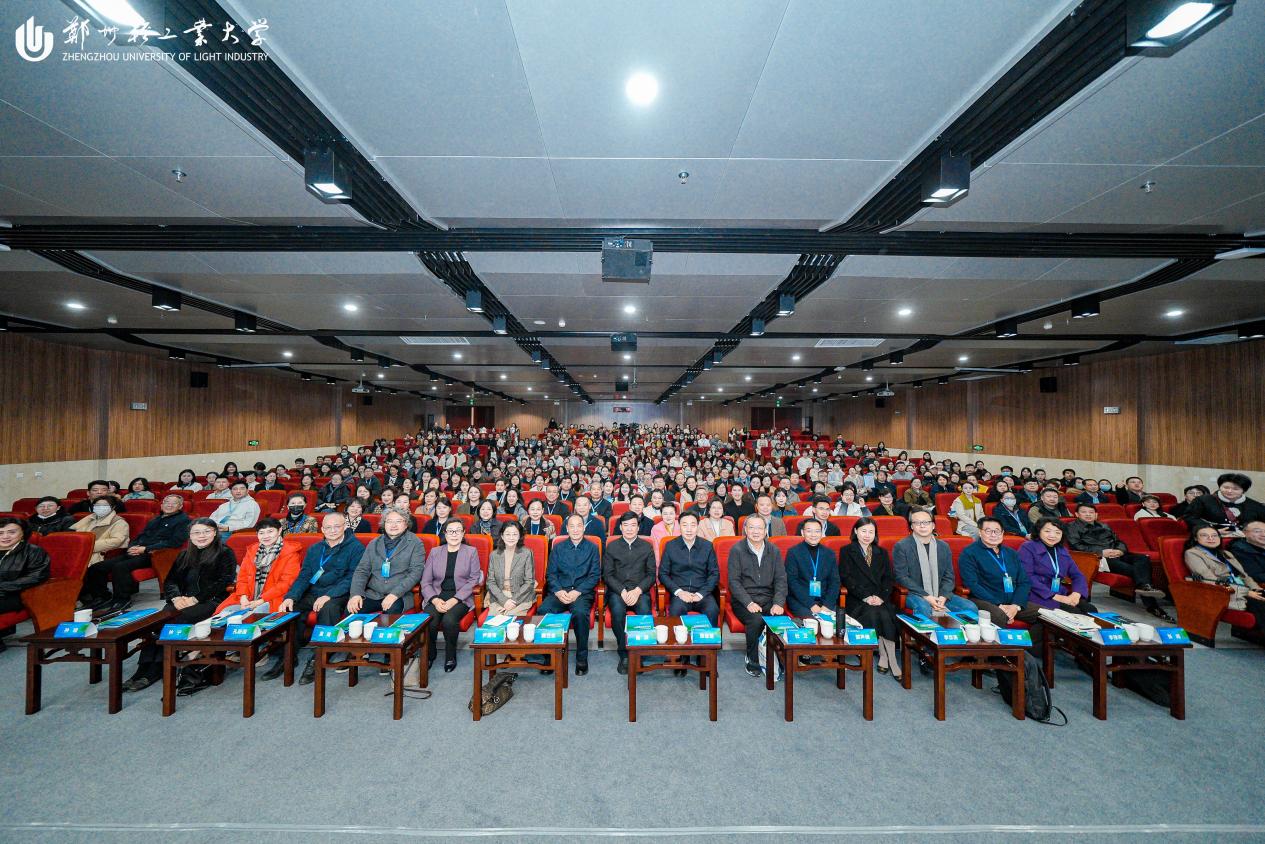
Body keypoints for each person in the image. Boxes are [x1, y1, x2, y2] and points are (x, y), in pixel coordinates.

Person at [122, 519, 236, 693]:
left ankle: (156, 668)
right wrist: (175, 598)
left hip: (211, 601)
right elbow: (171, 580)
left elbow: (223, 582)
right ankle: (143, 669)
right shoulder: (185, 554)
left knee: (175, 622)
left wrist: (195, 599)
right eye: (196, 532)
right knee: (157, 622)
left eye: (206, 531)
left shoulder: (225, 553)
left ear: (214, 533)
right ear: (190, 535)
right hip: (182, 601)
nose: (201, 536)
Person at [267, 512, 363, 683]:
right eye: (328, 527)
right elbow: (304, 576)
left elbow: (353, 577)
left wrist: (328, 595)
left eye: (337, 526)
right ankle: (288, 656)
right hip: (314, 591)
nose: (332, 530)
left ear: (345, 527)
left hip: (339, 593)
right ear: (322, 529)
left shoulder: (356, 548)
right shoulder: (315, 549)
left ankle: (318, 656)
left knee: (329, 608)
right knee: (292, 607)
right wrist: (291, 596)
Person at [85, 493, 192, 614]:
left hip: (155, 554)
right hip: (137, 551)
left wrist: (145, 549)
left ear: (180, 506)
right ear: (162, 505)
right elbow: (141, 535)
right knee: (97, 567)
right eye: (167, 502)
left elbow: (174, 542)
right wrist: (132, 546)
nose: (169, 505)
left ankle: (122, 599)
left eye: (174, 503)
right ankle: (102, 597)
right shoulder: (155, 519)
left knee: (120, 567)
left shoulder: (184, 521)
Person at [1066, 503, 1171, 621]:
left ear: (1096, 515)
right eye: (1084, 512)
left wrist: (1120, 550)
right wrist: (1101, 552)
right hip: (1098, 558)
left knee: (1143, 558)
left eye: (1091, 512)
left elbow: (1118, 541)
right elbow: (1076, 546)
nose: (1088, 515)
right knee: (1136, 571)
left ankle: (1145, 587)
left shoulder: (1104, 525)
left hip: (1116, 554)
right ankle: (1152, 605)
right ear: (1077, 514)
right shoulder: (1072, 527)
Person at [956, 517, 1044, 651]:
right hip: (984, 600)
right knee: (998, 615)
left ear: (1002, 533)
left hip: (1013, 602)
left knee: (1045, 615)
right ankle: (1000, 655)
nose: (993, 534)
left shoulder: (1011, 553)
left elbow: (1024, 582)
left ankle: (1022, 650)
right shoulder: (969, 553)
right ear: (980, 532)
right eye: (988, 531)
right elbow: (972, 584)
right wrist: (998, 605)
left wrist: (1016, 606)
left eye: (997, 531)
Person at [838, 518, 901, 678]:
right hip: (857, 598)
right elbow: (846, 578)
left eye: (871, 532)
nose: (867, 535)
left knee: (885, 613)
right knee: (874, 613)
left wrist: (881, 597)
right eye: (863, 531)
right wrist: (865, 596)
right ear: (855, 531)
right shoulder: (847, 551)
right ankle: (885, 655)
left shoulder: (881, 552)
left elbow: (888, 578)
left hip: (880, 597)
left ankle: (890, 657)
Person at [538, 515, 600, 675]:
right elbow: (551, 574)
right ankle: (549, 655)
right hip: (560, 591)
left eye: (579, 526)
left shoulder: (592, 548)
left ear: (584, 527)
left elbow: (594, 576)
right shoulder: (558, 548)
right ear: (567, 529)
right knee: (544, 610)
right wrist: (558, 591)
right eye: (572, 526)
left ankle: (581, 658)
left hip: (581, 593)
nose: (575, 529)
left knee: (580, 613)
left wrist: (577, 591)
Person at [727, 515, 787, 678]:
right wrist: (748, 602)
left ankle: (778, 658)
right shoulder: (737, 550)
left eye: (760, 528)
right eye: (751, 527)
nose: (756, 531)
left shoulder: (773, 550)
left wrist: (778, 602)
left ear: (766, 531)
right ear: (745, 530)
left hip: (768, 598)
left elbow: (781, 579)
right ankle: (752, 658)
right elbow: (734, 582)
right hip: (744, 599)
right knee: (756, 620)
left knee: (780, 619)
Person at [420, 521, 482, 672]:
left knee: (449, 620)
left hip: (461, 596)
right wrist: (434, 600)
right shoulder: (435, 552)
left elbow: (473, 579)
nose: (454, 534)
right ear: (445, 534)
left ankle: (450, 655)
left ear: (463, 533)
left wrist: (454, 600)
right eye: (450, 531)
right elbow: (425, 581)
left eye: (458, 531)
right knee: (430, 620)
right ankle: (430, 654)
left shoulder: (471, 552)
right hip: (437, 594)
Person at [892, 511, 977, 619]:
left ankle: (959, 630)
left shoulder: (943, 546)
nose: (922, 526)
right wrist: (926, 596)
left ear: (933, 525)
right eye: (917, 523)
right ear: (912, 526)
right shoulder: (902, 546)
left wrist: (943, 596)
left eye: (926, 522)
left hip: (940, 593)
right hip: (914, 593)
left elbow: (949, 576)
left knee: (970, 607)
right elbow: (901, 577)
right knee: (924, 607)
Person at [1184, 524, 1265, 635]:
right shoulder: (1192, 553)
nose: (1211, 538)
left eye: (1214, 535)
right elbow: (1211, 581)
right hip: (1223, 592)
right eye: (1204, 535)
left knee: (1261, 596)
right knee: (1259, 604)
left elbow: (1244, 576)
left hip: (1241, 587)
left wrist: (1257, 590)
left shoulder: (1226, 553)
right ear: (1195, 538)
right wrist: (1247, 592)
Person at [603, 511, 658, 674]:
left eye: (633, 525)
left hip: (639, 590)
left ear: (638, 527)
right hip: (617, 590)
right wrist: (621, 591)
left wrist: (638, 590)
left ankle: (639, 653)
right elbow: (607, 575)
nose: (629, 529)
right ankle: (625, 653)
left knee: (644, 611)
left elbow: (651, 575)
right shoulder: (612, 546)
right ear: (620, 527)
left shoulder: (646, 546)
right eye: (625, 525)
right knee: (617, 612)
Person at [213, 517, 303, 615]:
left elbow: (286, 583)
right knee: (225, 613)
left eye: (270, 531)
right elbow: (242, 578)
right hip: (248, 596)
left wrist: (261, 600)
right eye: (261, 533)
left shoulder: (290, 552)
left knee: (253, 616)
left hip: (273, 598)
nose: (266, 536)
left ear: (279, 530)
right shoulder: (252, 551)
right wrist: (243, 597)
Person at [347, 509, 426, 618]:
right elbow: (362, 570)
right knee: (352, 611)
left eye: (398, 521)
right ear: (384, 524)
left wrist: (395, 594)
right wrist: (356, 594)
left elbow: (416, 573)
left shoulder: (415, 543)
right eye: (389, 521)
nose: (393, 525)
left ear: (406, 524)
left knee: (389, 615)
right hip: (374, 594)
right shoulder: (374, 543)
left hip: (400, 595)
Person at [1019, 518, 1096, 614]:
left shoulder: (1061, 549)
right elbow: (1027, 577)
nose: (1052, 535)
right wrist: (1055, 596)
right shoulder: (1028, 547)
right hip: (1036, 594)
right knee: (1074, 613)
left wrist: (1076, 594)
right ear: (1039, 531)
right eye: (1047, 531)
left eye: (1057, 532)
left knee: (1090, 609)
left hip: (1058, 592)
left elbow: (1077, 575)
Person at [660, 512, 720, 628]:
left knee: (712, 610)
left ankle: (709, 640)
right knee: (676, 610)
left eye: (693, 525)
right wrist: (679, 592)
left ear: (697, 526)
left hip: (702, 593)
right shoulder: (670, 546)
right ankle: (678, 640)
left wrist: (700, 594)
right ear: (679, 526)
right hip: (680, 594)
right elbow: (663, 574)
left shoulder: (707, 546)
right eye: (685, 525)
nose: (689, 529)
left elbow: (714, 573)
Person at [0, 517, 50, 652]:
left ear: (23, 533)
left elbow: (37, 577)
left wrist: (3, 587)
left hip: (18, 595)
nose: (5, 536)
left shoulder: (34, 551)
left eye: (11, 532)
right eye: (0, 533)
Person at [72, 498, 130, 608]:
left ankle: (100, 596)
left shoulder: (119, 522)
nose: (100, 508)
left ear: (112, 507)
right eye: (97, 505)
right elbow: (74, 533)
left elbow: (117, 541)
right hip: (80, 551)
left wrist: (87, 546)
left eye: (104, 506)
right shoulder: (89, 519)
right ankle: (74, 597)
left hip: (100, 552)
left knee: (88, 567)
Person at [784, 518, 841, 619]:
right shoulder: (793, 552)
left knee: (836, 622)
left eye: (817, 531)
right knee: (814, 622)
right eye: (809, 531)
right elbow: (792, 582)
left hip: (825, 600)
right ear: (802, 533)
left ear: (821, 533)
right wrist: (811, 605)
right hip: (801, 601)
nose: (813, 535)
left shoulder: (829, 553)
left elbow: (835, 582)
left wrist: (827, 605)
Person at [1183, 473, 1265, 536]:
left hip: (1246, 540)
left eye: (1235, 489)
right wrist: (1210, 528)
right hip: (1211, 536)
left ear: (1243, 491)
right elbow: (1189, 517)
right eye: (1226, 487)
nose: (1229, 491)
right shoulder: (1203, 500)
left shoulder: (1255, 506)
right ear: (1220, 487)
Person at [484, 521, 535, 618]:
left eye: (515, 534)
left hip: (521, 597)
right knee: (495, 622)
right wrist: (504, 601)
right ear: (502, 536)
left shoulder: (527, 553)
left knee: (511, 621)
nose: (511, 537)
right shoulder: (494, 555)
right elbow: (490, 582)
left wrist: (513, 601)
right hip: (499, 596)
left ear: (519, 536)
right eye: (507, 534)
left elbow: (529, 582)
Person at [1229, 520, 1265, 585]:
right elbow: (1256, 576)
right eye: (1257, 531)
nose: (1263, 534)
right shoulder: (1240, 551)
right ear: (1244, 533)